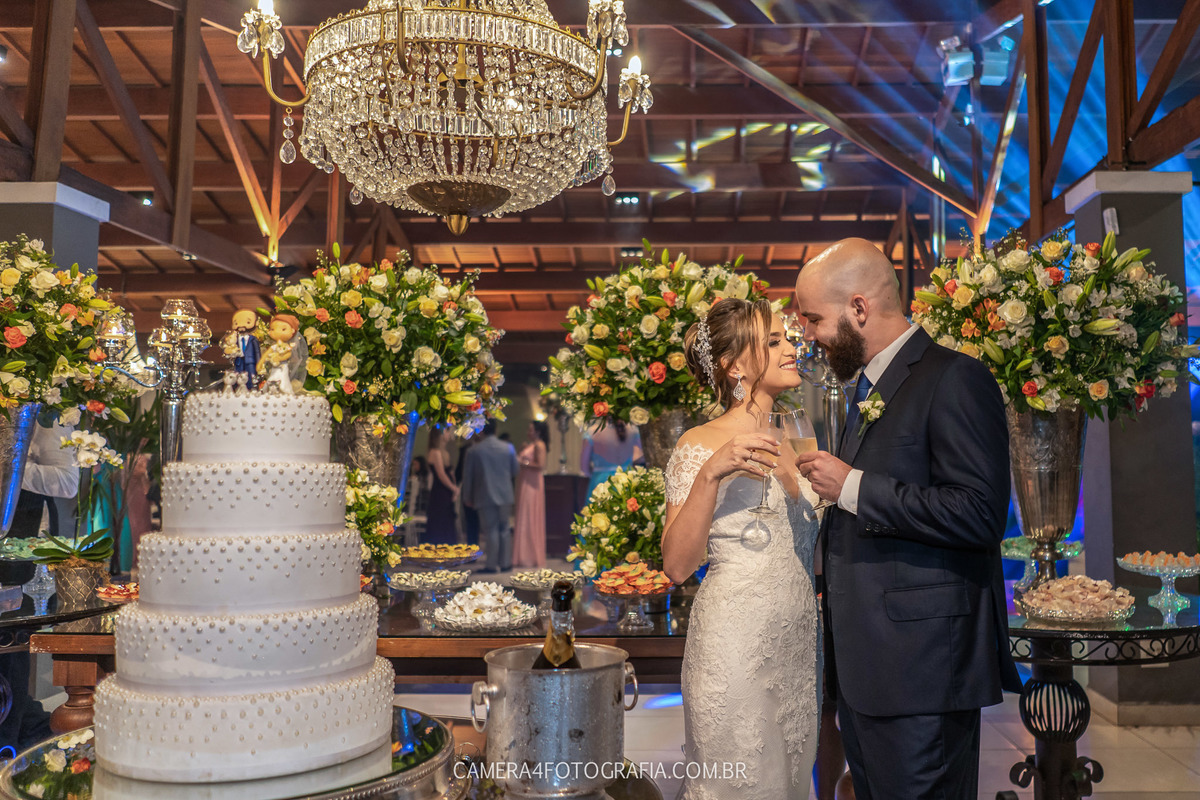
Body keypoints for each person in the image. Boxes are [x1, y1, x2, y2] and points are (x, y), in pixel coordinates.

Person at [793, 238, 1022, 800]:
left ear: (859, 308)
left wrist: (851, 486)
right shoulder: (868, 387)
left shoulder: (954, 379)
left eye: (815, 319)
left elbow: (979, 513)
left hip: (922, 672)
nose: (811, 336)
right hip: (871, 669)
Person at [662, 298, 821, 799]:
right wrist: (711, 475)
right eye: (773, 342)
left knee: (792, 778)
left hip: (797, 641)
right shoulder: (699, 442)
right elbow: (676, 566)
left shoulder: (798, 431)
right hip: (735, 641)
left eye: (787, 338)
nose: (791, 347)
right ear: (734, 366)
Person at [461, 421, 519, 573]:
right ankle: (506, 564)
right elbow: (515, 470)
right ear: (496, 429)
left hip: (484, 493)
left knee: (491, 529)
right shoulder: (508, 448)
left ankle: (491, 565)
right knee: (505, 528)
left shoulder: (474, 450)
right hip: (505, 493)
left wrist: (467, 496)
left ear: (481, 431)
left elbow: (468, 476)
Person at [513, 420, 549, 568]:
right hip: (525, 480)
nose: (528, 432)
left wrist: (523, 463)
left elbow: (541, 465)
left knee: (530, 515)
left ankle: (531, 556)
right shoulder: (530, 445)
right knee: (524, 515)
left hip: (533, 483)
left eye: (531, 430)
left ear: (538, 431)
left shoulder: (540, 445)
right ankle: (523, 554)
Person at [581, 420, 641, 499]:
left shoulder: (592, 432)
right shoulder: (634, 431)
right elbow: (643, 456)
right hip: (627, 481)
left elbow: (584, 467)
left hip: (601, 483)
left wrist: (595, 473)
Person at [423, 428, 459, 545]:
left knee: (447, 520)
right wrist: (454, 489)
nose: (449, 434)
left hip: (447, 491)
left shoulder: (445, 453)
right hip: (439, 492)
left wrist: (455, 490)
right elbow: (441, 475)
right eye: (447, 430)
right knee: (440, 520)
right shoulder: (435, 452)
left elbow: (450, 473)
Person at [454, 440, 480, 547]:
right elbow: (460, 471)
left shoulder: (478, 449)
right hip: (468, 488)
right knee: (471, 520)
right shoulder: (465, 449)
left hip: (479, 488)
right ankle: (472, 546)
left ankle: (474, 546)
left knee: (474, 521)